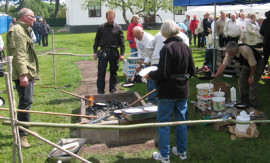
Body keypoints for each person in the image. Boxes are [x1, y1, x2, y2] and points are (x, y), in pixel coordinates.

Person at [144, 20, 195, 163]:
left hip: (168, 91)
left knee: (164, 123)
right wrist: (181, 79)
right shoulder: (186, 47)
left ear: (164, 32)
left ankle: (165, 155)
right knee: (181, 121)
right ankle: (182, 151)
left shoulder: (167, 48)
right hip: (183, 90)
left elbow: (163, 73)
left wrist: (150, 75)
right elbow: (192, 71)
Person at [6, 8, 40, 148]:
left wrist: (32, 76)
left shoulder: (24, 29)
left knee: (27, 101)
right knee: (25, 102)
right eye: (33, 17)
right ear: (26, 17)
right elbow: (19, 55)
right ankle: (22, 136)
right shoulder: (18, 31)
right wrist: (23, 75)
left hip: (27, 72)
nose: (35, 19)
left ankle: (24, 129)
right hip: (23, 73)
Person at [213, 41, 264, 108]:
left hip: (257, 63)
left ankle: (253, 103)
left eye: (230, 53)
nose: (228, 54)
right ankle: (244, 101)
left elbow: (253, 65)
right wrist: (216, 75)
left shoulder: (245, 50)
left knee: (252, 83)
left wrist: (251, 76)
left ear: (236, 50)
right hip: (247, 64)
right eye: (228, 52)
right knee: (241, 80)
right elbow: (223, 66)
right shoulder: (229, 53)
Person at [93, 9, 125, 94]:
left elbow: (122, 42)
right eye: (110, 18)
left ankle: (113, 89)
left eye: (113, 18)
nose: (111, 20)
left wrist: (122, 54)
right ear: (106, 17)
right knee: (101, 72)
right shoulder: (101, 27)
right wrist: (95, 52)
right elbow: (96, 40)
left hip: (114, 52)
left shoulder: (118, 28)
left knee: (113, 72)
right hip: (103, 51)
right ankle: (100, 90)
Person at [133, 26, 156, 105]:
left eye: (138, 36)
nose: (137, 38)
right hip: (146, 59)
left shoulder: (149, 39)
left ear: (142, 33)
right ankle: (151, 95)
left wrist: (142, 64)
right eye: (136, 36)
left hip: (153, 58)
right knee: (148, 79)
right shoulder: (136, 38)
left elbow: (149, 54)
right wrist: (140, 59)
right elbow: (139, 49)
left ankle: (152, 100)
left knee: (151, 79)